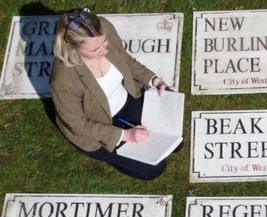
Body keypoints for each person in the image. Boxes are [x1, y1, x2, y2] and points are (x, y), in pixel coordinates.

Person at [50, 7, 178, 180]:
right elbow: (78, 125)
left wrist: (154, 80)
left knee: (176, 141)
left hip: (127, 101)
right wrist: (125, 135)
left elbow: (126, 60)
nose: (104, 51)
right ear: (73, 47)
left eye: (104, 43)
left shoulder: (103, 27)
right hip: (97, 126)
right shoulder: (63, 79)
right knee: (154, 169)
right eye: (95, 50)